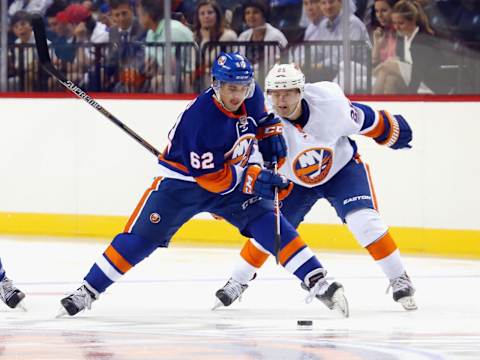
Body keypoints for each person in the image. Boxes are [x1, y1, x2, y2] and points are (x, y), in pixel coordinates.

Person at [58, 53, 349, 318]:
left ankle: (318, 280)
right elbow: (210, 179)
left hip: (228, 176)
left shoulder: (250, 92)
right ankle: (88, 290)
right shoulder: (200, 120)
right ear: (216, 84)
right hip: (183, 184)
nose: (238, 95)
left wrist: (269, 132)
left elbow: (261, 120)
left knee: (267, 219)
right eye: (231, 88)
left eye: (243, 88)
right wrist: (253, 178)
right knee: (142, 239)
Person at [214, 63, 417, 312]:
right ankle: (238, 281)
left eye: (287, 92)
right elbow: (241, 161)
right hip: (292, 183)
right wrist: (223, 193)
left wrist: (393, 132)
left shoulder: (330, 103)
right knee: (268, 230)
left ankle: (399, 278)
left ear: (301, 91)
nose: (281, 100)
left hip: (340, 170)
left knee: (364, 221)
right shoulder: (260, 119)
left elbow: (366, 120)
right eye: (275, 93)